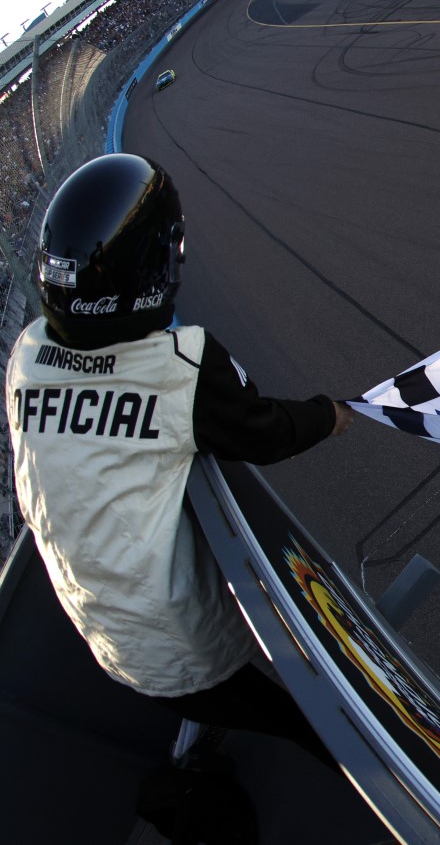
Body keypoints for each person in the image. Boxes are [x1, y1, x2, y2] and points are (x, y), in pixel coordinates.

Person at [6, 152, 354, 771]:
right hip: (189, 653)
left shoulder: (24, 359)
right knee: (327, 729)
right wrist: (330, 413)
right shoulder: (180, 369)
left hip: (104, 640)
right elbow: (268, 432)